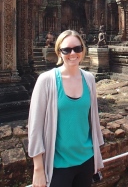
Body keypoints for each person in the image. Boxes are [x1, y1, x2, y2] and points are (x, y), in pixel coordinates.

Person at [28, 30, 104, 187]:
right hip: (58, 165)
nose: (73, 54)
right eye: (66, 50)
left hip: (86, 160)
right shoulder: (46, 80)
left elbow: (93, 120)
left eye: (77, 48)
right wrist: (38, 169)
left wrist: (97, 156)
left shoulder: (89, 79)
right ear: (59, 52)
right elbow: (35, 127)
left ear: (83, 50)